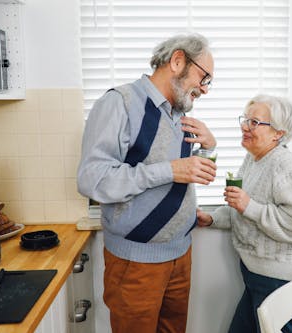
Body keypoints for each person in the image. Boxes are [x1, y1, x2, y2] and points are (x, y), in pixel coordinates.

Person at [77, 33, 217, 333]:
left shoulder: (179, 114)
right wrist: (168, 170)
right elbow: (92, 179)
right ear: (178, 61)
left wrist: (209, 147)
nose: (204, 90)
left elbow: (186, 175)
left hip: (181, 255)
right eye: (203, 78)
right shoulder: (120, 103)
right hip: (135, 264)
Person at [197, 94, 292, 333]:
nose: (245, 127)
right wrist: (213, 218)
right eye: (245, 120)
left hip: (279, 280)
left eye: (255, 122)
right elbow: (242, 209)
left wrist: (248, 206)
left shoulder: (286, 167)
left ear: (278, 133)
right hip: (256, 273)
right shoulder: (253, 159)